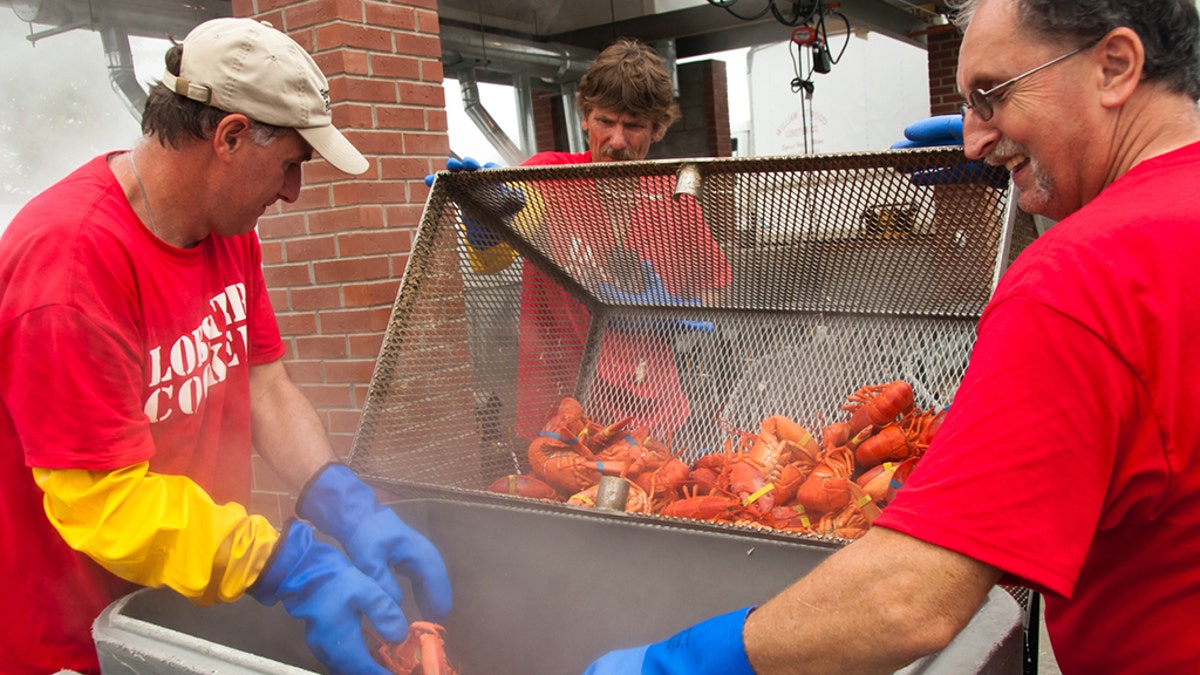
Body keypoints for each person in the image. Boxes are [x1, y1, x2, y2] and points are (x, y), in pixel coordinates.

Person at [584, 0, 1200, 672]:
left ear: (1114, 67)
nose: (972, 140)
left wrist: (682, 659)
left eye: (990, 95)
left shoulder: (1079, 278)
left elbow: (911, 596)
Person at [0, 18, 451, 675]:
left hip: (190, 597)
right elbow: (106, 505)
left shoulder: (226, 228)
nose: (293, 190)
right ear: (232, 136)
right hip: (73, 641)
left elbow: (264, 384)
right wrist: (284, 562)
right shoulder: (69, 266)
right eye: (291, 164)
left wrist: (338, 497)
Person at [436, 38, 733, 444]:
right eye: (605, 121)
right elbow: (497, 257)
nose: (616, 141)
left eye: (633, 126)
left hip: (653, 418)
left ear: (658, 128)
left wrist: (671, 310)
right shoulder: (546, 177)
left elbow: (717, 296)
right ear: (584, 119)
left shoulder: (675, 197)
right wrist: (487, 224)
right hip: (559, 413)